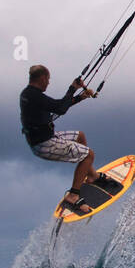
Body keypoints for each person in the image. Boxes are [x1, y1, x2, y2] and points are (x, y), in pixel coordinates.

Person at [19, 64, 101, 216]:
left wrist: (79, 98)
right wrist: (72, 88)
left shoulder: (28, 94)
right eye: (48, 80)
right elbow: (60, 109)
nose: (49, 83)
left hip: (47, 137)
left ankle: (92, 176)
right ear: (42, 78)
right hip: (44, 144)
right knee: (88, 155)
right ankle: (73, 195)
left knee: (80, 136)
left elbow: (57, 106)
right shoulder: (34, 96)